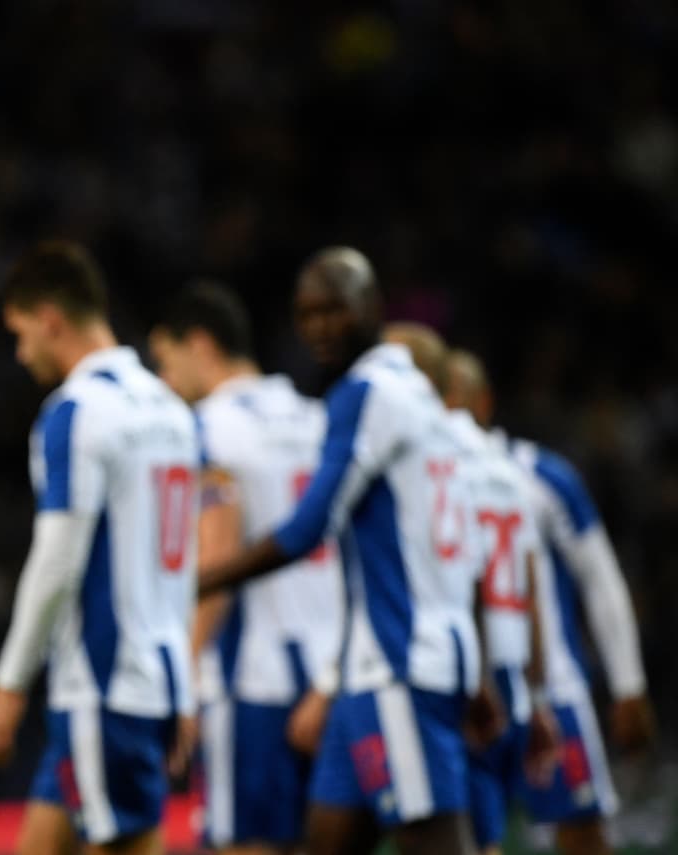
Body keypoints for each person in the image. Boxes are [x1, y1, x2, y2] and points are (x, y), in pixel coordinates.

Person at [199, 247, 497, 855]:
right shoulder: (423, 399)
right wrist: (477, 666)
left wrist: (198, 581)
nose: (319, 327)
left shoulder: (368, 392)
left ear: (373, 307)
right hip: (377, 664)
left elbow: (308, 528)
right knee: (328, 840)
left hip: (400, 665)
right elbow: (460, 552)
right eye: (306, 314)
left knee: (437, 841)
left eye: (334, 309)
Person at [0, 240, 201, 855]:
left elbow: (57, 560)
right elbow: (178, 561)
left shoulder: (76, 412)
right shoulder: (173, 410)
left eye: (21, 335)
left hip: (106, 682)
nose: (21, 354)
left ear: (51, 320)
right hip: (154, 674)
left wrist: (10, 682)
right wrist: (183, 684)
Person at [148, 280, 344, 855]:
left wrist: (181, 673)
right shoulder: (320, 419)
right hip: (330, 674)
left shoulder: (203, 428)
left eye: (166, 360)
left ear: (201, 345)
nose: (164, 382)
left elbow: (217, 554)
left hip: (251, 677)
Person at [445, 348, 656, 855]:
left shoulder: (542, 475)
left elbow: (598, 575)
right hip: (466, 692)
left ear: (485, 402)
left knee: (580, 836)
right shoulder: (435, 482)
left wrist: (628, 684)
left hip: (547, 686)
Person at [384, 325, 561, 855]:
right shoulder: (507, 471)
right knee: (487, 837)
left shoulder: (437, 456)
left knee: (453, 835)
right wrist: (537, 690)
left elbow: (470, 571)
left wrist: (476, 672)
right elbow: (528, 586)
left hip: (466, 663)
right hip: (511, 668)